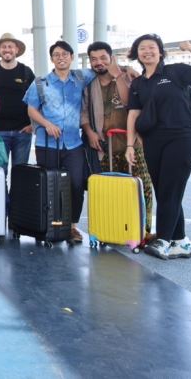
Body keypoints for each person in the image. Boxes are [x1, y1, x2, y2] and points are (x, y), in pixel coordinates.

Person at [127, 36, 191, 260]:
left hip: (182, 138)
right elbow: (133, 114)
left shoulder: (175, 71)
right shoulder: (138, 84)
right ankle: (180, 242)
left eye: (152, 47)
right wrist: (130, 144)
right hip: (152, 141)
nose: (147, 51)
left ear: (160, 52)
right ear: (136, 53)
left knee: (170, 190)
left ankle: (163, 240)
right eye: (142, 48)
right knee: (165, 192)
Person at [24, 40, 121, 244]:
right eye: (56, 55)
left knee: (76, 184)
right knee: (49, 185)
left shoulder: (81, 77)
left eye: (65, 54)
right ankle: (48, 225)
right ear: (52, 59)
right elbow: (31, 109)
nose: (61, 58)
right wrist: (46, 124)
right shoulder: (40, 83)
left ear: (71, 57)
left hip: (73, 144)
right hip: (47, 144)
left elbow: (103, 67)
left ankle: (72, 227)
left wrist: (128, 70)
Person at [80, 41, 153, 234]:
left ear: (111, 58)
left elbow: (131, 103)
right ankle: (112, 229)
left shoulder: (128, 76)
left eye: (103, 58)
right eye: (94, 59)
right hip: (104, 147)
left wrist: (120, 73)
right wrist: (89, 132)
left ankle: (144, 231)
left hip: (133, 144)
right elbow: (84, 112)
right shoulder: (88, 83)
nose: (99, 62)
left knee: (142, 188)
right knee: (109, 190)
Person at [0, 32, 35, 169]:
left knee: (20, 174)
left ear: (16, 50)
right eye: (4, 47)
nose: (7, 49)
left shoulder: (26, 71)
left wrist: (33, 125)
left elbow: (37, 99)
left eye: (10, 46)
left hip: (23, 132)